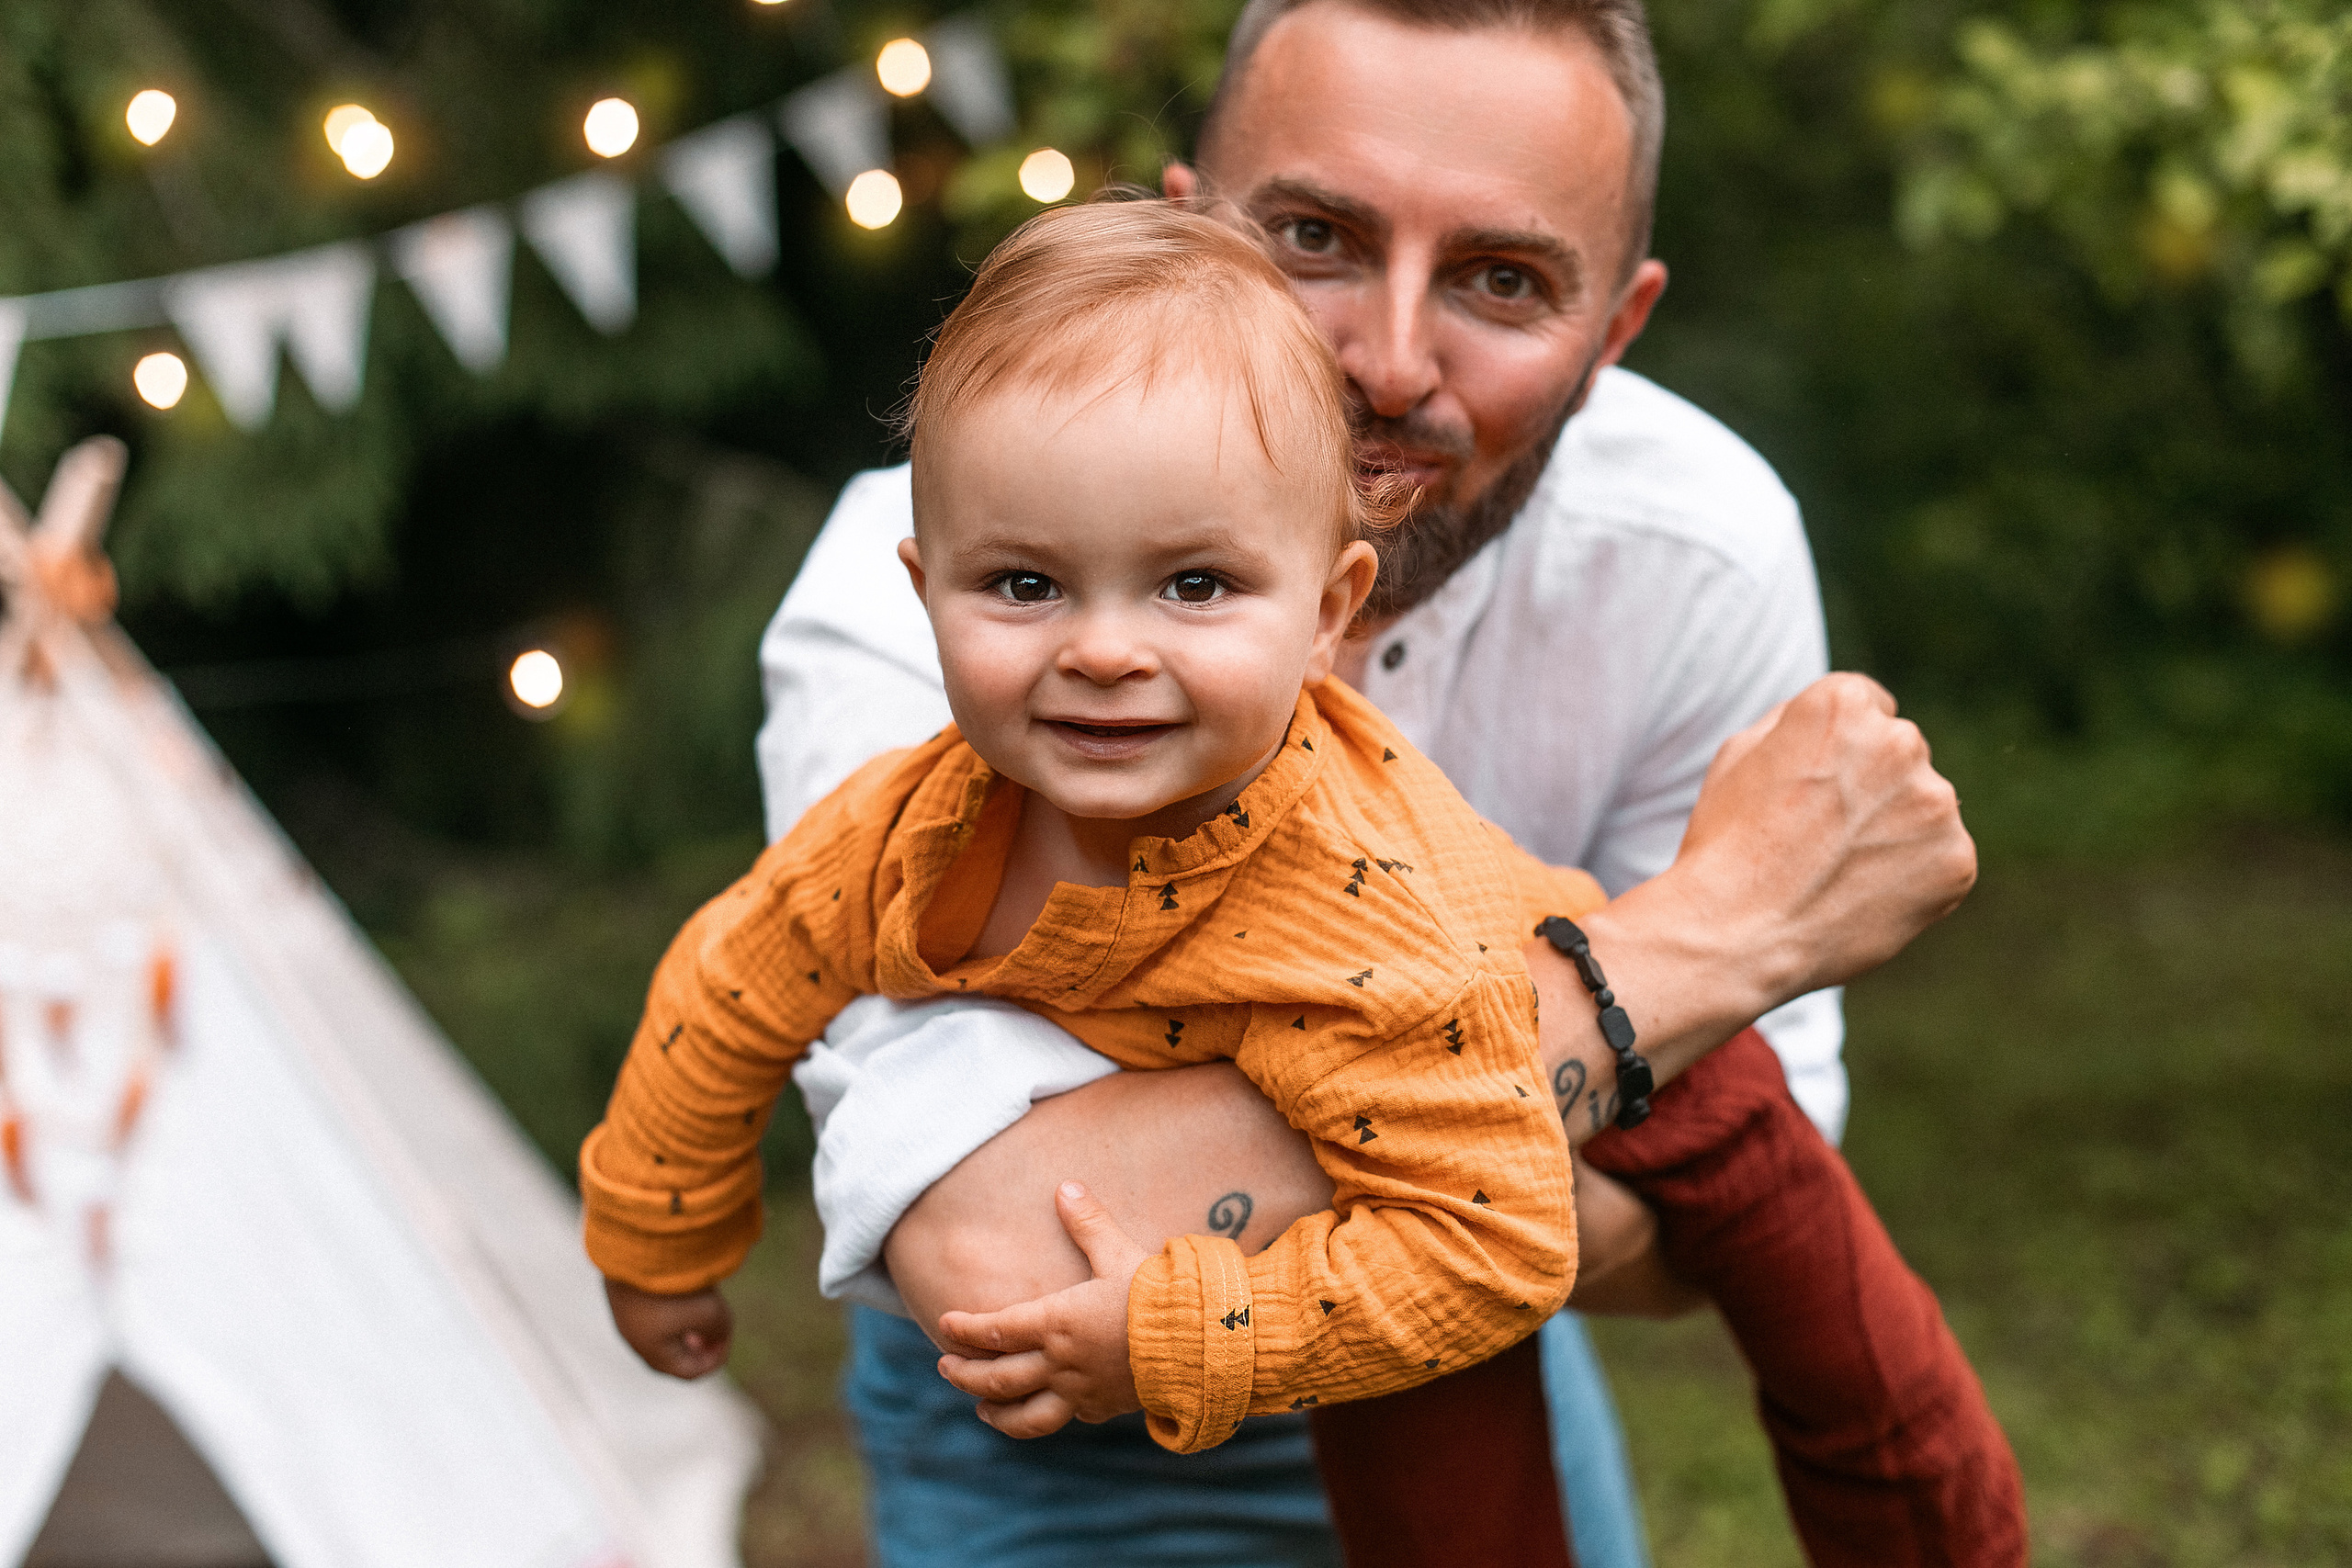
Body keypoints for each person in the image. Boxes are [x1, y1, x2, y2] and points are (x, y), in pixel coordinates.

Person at [744, 2, 2017, 1564]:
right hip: (1037, 1430)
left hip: (1474, 1360)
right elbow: (994, 1259)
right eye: (1315, 236)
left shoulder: (1694, 557)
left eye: (1502, 280)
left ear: (1615, 332)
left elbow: (1713, 1229)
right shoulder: (937, 604)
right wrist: (1705, 943)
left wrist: (1235, 1182)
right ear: (1184, 230)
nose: (1388, 363)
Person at [586, 201, 1603, 1448]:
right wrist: (655, 1235)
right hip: (1010, 1405)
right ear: (927, 593)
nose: (1106, 652)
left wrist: (1175, 1337)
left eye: (1196, 585)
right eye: (1024, 585)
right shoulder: (913, 829)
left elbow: (1497, 1241)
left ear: (1329, 611)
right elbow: (737, 977)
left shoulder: (1358, 916)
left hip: (1534, 1116)